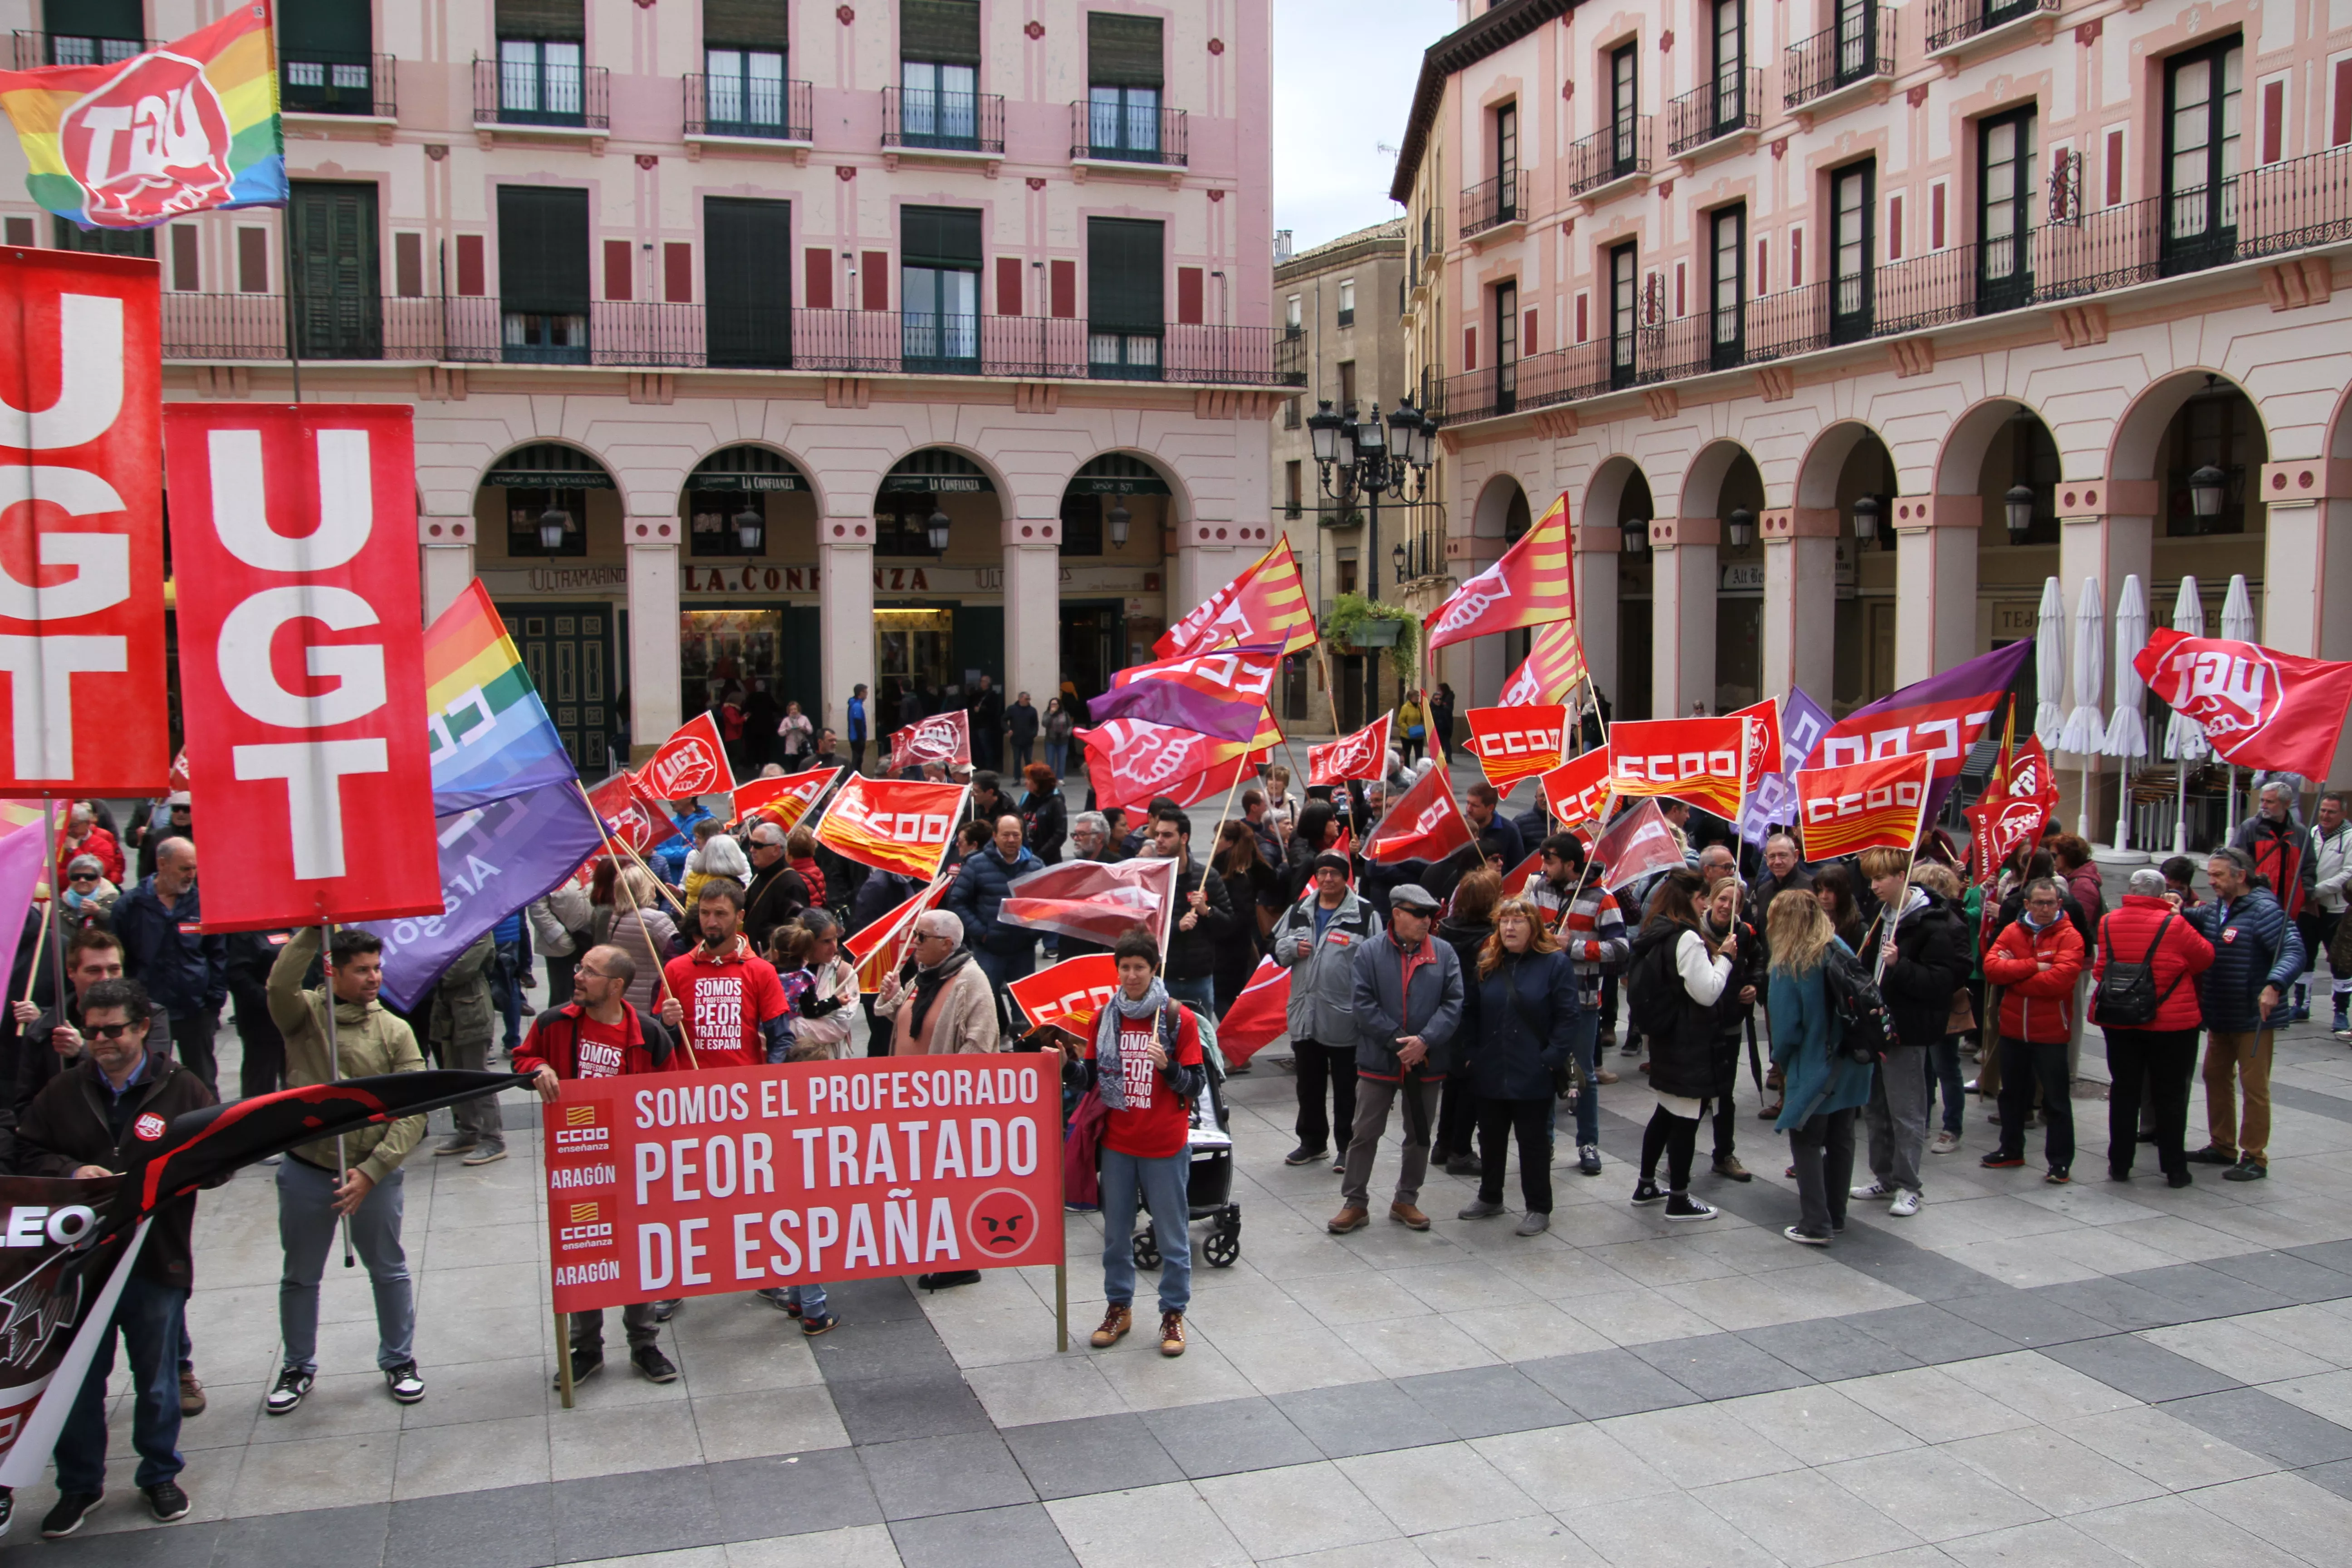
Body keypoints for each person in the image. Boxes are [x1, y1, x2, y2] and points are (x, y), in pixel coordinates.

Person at [17, 977, 215, 1537]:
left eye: (113, 1030)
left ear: (143, 1029)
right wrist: (72, 1174)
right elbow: (27, 1149)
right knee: (78, 1381)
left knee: (156, 1379)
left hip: (155, 1260)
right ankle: (79, 1486)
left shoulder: (184, 1089)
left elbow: (218, 1160)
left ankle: (159, 1473)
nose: (100, 1040)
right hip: (80, 1268)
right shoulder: (64, 1090)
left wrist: (165, 1175)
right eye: (92, 1029)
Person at [265, 926, 429, 1416]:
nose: (373, 978)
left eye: (378, 968)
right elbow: (278, 988)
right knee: (300, 1275)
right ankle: (297, 1366)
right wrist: (312, 936)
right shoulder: (305, 1017)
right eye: (361, 969)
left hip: (371, 1176)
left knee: (390, 1269)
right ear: (334, 970)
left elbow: (415, 1106)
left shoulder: (395, 1030)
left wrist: (374, 1170)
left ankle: (399, 1360)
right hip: (308, 1169)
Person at [518, 945, 686, 1379]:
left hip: (634, 1169)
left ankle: (644, 1344)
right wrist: (538, 1067)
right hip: (577, 1166)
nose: (577, 977)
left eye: (589, 972)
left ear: (616, 987)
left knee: (636, 1255)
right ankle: (586, 1348)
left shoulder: (650, 1036)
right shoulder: (553, 1023)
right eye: (579, 968)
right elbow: (522, 1059)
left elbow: (672, 1102)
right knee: (582, 1255)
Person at [1074, 930, 1206, 1358]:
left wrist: (1168, 1069)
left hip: (1165, 1145)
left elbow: (1196, 1084)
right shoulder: (1103, 1019)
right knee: (1115, 1236)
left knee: (1171, 1236)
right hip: (1118, 1144)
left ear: (1154, 971)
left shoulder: (1177, 1019)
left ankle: (1173, 1314)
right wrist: (1066, 1067)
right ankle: (1119, 1308)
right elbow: (1091, 1081)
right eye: (1125, 968)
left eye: (1139, 968)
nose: (1131, 976)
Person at [1332, 882, 1463, 1234]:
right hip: (1379, 1059)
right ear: (1398, 915)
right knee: (1364, 1133)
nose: (1427, 921)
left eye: (1431, 915)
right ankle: (1355, 1203)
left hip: (1427, 1061)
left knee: (1419, 1134)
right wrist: (1398, 1042)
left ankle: (1407, 1198)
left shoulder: (1445, 953)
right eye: (1419, 914)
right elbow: (1362, 1004)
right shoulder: (1370, 952)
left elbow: (1454, 1004)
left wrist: (1425, 1042)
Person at [1851, 848, 1969, 1215]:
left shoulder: (1936, 923)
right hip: (1876, 1025)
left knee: (1907, 1110)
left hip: (1908, 1028)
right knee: (1875, 1107)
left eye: (1880, 879)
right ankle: (1884, 1176)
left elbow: (1944, 981)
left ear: (1902, 876)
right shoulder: (1880, 914)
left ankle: (1909, 1184)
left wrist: (1899, 966)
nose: (1874, 887)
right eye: (1871, 879)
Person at [1457, 897, 1584, 1235]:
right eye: (1504, 922)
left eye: (1518, 922)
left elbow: (1569, 1016)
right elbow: (1470, 1010)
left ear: (1534, 927)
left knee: (1533, 1141)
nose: (1510, 928)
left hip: (1533, 1069)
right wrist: (1471, 1052)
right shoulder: (1487, 961)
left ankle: (1539, 1207)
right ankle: (1490, 1196)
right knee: (1491, 1137)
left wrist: (1551, 1058)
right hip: (1491, 1068)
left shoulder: (1554, 964)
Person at [2183, 847, 2304, 1182]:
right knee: (2214, 1076)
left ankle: (2255, 1155)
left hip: (2253, 1016)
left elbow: (2294, 950)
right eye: (2209, 875)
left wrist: (2275, 985)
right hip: (2221, 1013)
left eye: (2219, 876)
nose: (2213, 882)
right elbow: (2196, 917)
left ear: (2241, 875)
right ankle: (2222, 1145)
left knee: (2254, 1086)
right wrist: (2175, 905)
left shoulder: (2265, 912)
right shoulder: (2218, 908)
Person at [1765, 890, 1874, 1245]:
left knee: (1807, 1141)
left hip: (1815, 1064)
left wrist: (1782, 1063)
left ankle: (1815, 1224)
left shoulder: (1789, 962)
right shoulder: (1838, 945)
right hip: (1852, 1062)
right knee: (1842, 1138)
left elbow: (1785, 1030)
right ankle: (1836, 1215)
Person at [2094, 867, 2215, 1186]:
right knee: (2170, 1093)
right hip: (2171, 1021)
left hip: (2119, 1018)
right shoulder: (2174, 924)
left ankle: (2119, 1164)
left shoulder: (2108, 922)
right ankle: (2175, 1168)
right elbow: (2205, 957)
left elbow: (2100, 970)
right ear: (2161, 894)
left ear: (2132, 891)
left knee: (2124, 1090)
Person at [1626, 867, 1733, 1220]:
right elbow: (1707, 992)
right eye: (1703, 898)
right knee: (1685, 1119)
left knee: (1666, 1112)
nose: (1705, 905)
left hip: (1668, 1036)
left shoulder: (1656, 929)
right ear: (1689, 899)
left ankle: (1645, 1185)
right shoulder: (1686, 937)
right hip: (1688, 1040)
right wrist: (1726, 960)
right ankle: (1680, 1198)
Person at [1273, 851, 1380, 1171]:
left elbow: (1376, 961)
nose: (1328, 879)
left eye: (1334, 873)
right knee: (1308, 1084)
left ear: (1346, 877)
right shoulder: (1299, 910)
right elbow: (1277, 948)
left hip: (1344, 1018)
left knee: (1347, 1088)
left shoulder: (1364, 913)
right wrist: (1291, 949)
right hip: (1306, 1015)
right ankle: (1312, 1142)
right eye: (1323, 873)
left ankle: (1347, 1147)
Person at [1980, 877, 2088, 1181]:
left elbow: (2061, 980)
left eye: (2050, 903)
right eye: (2039, 903)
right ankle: (2011, 1150)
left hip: (2051, 1032)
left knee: (2056, 1100)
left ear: (2059, 904)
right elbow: (1991, 969)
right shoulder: (2013, 931)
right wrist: (2035, 966)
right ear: (2027, 904)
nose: (2044, 909)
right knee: (2012, 1095)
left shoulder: (2070, 937)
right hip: (2014, 1029)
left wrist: (2015, 973)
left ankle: (2060, 1162)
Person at [1530, 833, 1622, 1175]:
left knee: (1581, 1074)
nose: (1542, 867)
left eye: (1549, 861)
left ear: (1570, 865)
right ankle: (1545, 1141)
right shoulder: (1540, 889)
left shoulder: (1603, 898)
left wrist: (1575, 948)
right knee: (1545, 1069)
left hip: (1583, 1000)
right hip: (1542, 999)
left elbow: (1622, 949)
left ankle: (1588, 1143)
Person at [111, 837, 225, 1097]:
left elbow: (218, 954)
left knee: (203, 1083)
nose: (191, 875)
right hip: (149, 1014)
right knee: (151, 1084)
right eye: (185, 868)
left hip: (196, 1011)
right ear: (162, 864)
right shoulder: (129, 906)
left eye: (194, 868)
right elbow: (120, 961)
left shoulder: (203, 902)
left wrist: (213, 1002)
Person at [660, 881, 793, 1070]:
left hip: (745, 1087)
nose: (711, 922)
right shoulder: (675, 969)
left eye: (721, 914)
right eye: (705, 913)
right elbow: (659, 1042)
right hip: (691, 1090)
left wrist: (769, 1080)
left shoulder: (762, 971)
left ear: (740, 916)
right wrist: (666, 1023)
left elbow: (780, 1038)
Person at [1432, 868, 1502, 1176]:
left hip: (1450, 1015)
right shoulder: (1489, 940)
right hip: (1478, 1017)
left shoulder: (1445, 930)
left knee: (1454, 1082)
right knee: (1472, 1085)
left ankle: (1443, 1144)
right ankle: (1461, 1150)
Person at [2234, 781, 2318, 1019]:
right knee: (2255, 956)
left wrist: (2306, 892)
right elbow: (2237, 863)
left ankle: (2275, 1005)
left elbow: (2309, 866)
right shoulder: (2250, 828)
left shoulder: (2300, 832)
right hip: (2256, 906)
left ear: (2286, 804)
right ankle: (2253, 1003)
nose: (2264, 806)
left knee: (2284, 955)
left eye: (2270, 802)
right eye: (2262, 801)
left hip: (2288, 908)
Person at [1911, 862, 1978, 1156]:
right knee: (1924, 1066)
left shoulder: (1952, 923)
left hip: (1942, 1004)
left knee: (1945, 1067)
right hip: (1920, 1004)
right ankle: (1923, 1121)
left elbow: (1964, 964)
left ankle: (1952, 1128)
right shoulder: (1917, 920)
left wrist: (1936, 980)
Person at [1701, 877, 1765, 1182]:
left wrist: (1754, 983)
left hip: (1730, 1022)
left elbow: (1759, 959)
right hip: (1700, 1024)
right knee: (1696, 1094)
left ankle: (1724, 1153)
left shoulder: (1743, 932)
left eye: (1735, 902)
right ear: (1711, 899)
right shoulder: (1694, 931)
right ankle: (1678, 1154)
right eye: (1723, 899)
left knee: (1725, 1094)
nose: (1727, 906)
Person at [1144, 808, 1235, 1020]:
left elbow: (1230, 927)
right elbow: (1141, 929)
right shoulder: (1149, 878)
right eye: (1157, 834)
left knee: (1199, 1042)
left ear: (1184, 838)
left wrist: (1208, 911)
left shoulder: (1207, 877)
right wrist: (1177, 927)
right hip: (1162, 978)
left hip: (1200, 979)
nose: (1159, 840)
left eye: (1167, 835)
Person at [425, 934, 506, 1165]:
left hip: (472, 1008)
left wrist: (430, 966)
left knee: (477, 1075)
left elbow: (456, 971)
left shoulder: (480, 929)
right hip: (446, 1011)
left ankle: (493, 1138)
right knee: (453, 1073)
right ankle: (468, 1130)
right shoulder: (447, 929)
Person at [874, 910, 1001, 1057]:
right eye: (915, 934)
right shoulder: (925, 974)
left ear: (946, 944)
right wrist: (895, 997)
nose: (915, 941)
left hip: (941, 1078)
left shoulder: (971, 980)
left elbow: (981, 1041)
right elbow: (914, 1022)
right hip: (905, 1077)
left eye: (922, 937)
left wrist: (950, 1076)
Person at [947, 813, 1045, 993]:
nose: (1011, 840)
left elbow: (1047, 905)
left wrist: (1033, 935)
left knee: (1024, 1010)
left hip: (1023, 951)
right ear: (995, 836)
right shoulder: (976, 865)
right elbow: (957, 901)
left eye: (1016, 835)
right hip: (989, 950)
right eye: (1006, 835)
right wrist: (981, 934)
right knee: (983, 1004)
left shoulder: (1036, 866)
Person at [223, 927, 292, 1101]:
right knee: (260, 1086)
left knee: (295, 1082)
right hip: (261, 1022)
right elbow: (237, 974)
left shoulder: (296, 927)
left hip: (294, 1017)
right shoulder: (246, 933)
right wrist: (269, 1000)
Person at [608, 865, 682, 1017]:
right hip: (652, 998)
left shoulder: (615, 918)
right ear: (643, 887)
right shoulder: (656, 919)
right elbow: (677, 955)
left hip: (626, 995)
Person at [2311, 792, 2351, 1031]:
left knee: (2339, 961)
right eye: (2323, 810)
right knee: (2304, 955)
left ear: (2343, 814)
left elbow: (2348, 873)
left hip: (2337, 908)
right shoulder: (2313, 833)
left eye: (2332, 811)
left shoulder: (2349, 838)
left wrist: (2316, 890)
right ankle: (2301, 1004)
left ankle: (2341, 1010)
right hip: (2309, 906)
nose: (2325, 815)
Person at [742, 822, 813, 950]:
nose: (752, 850)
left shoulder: (792, 884)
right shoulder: (761, 874)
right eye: (751, 844)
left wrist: (761, 930)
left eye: (758, 845)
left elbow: (795, 934)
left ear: (776, 849)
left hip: (774, 962)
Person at [1460, 783, 1525, 870]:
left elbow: (1518, 868)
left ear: (1490, 808)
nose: (1469, 809)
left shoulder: (1509, 830)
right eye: (1468, 803)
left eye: (1475, 806)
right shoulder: (1460, 825)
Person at [56, 853, 119, 933]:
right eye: (76, 877)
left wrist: (99, 912)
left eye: (89, 877)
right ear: (70, 879)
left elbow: (122, 927)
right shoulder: (58, 904)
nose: (82, 880)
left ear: (99, 880)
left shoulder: (113, 900)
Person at [1020, 762, 1068, 866]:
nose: (1026, 782)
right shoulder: (1026, 798)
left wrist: (1039, 856)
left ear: (1039, 783)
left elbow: (1060, 834)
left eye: (1029, 780)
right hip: (1025, 856)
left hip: (1048, 860)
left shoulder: (1056, 802)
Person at [1812, 862, 1865, 951]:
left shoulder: (1858, 928)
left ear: (1843, 892)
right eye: (1820, 890)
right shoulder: (1812, 922)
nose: (1824, 896)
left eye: (1830, 891)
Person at [969, 674, 1005, 771]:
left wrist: (981, 710)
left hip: (985, 725)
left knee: (986, 746)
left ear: (987, 683)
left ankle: (989, 766)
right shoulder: (977, 694)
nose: (981, 683)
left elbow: (994, 711)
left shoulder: (992, 695)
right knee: (977, 747)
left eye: (983, 681)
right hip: (976, 725)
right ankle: (980, 765)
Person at [776, 699, 814, 773]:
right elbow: (780, 733)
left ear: (798, 709)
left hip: (803, 747)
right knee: (794, 767)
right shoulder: (786, 720)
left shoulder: (804, 718)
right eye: (792, 710)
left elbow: (811, 731)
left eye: (795, 709)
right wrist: (788, 730)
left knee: (804, 766)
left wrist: (803, 729)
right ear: (789, 711)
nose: (794, 711)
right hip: (792, 748)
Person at [1007, 691, 1041, 769]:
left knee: (1028, 760)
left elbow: (1035, 723)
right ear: (1020, 699)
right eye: (1026, 699)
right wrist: (1008, 730)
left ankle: (1029, 778)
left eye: (1029, 699)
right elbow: (1004, 720)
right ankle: (1017, 779)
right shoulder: (1012, 709)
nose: (1028, 701)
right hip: (1016, 739)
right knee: (1017, 760)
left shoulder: (1032, 710)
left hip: (1028, 739)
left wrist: (1034, 734)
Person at [1396, 692, 1427, 767]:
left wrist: (1424, 728)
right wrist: (1408, 729)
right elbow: (1400, 721)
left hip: (1419, 735)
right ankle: (1407, 771)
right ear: (1410, 697)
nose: (1417, 697)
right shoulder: (1406, 707)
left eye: (1418, 696)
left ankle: (1420, 772)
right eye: (1415, 696)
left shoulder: (1420, 707)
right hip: (1407, 736)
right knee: (1406, 755)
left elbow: (1424, 719)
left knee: (1419, 756)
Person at [1431, 683, 1457, 765]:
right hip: (1437, 726)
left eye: (1440, 690)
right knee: (1439, 742)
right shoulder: (1434, 703)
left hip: (1445, 726)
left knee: (1446, 742)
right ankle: (1438, 756)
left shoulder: (1448, 699)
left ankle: (1448, 757)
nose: (1438, 701)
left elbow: (1448, 713)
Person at [846, 684, 870, 775]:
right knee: (857, 760)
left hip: (854, 737)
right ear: (861, 693)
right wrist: (862, 738)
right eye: (866, 692)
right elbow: (858, 723)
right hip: (857, 738)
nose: (867, 695)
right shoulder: (857, 706)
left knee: (858, 759)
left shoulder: (855, 705)